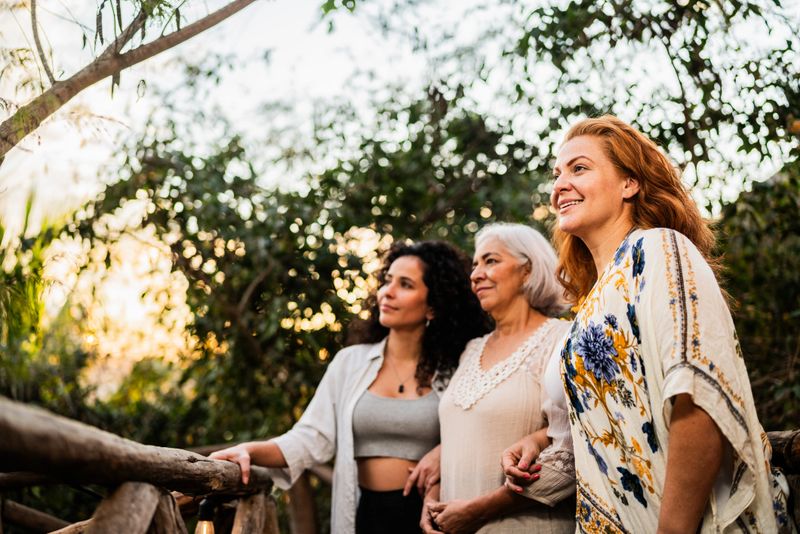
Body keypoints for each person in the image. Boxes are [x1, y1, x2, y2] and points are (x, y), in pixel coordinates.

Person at [544, 115, 794, 533]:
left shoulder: (658, 249)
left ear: (630, 183)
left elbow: (698, 396)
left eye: (579, 168)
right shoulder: (592, 301)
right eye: (557, 174)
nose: (559, 186)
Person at [210, 240, 490, 534]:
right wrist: (247, 451)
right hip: (365, 514)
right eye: (387, 281)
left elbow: (481, 430)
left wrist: (444, 451)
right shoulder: (350, 363)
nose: (387, 292)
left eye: (405, 285)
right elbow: (309, 437)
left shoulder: (458, 368)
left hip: (432, 516)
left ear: (433, 306)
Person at [423, 223, 576, 533]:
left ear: (527, 271)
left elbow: (574, 448)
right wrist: (432, 500)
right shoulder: (471, 350)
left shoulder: (562, 341)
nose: (476, 274)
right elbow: (459, 439)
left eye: (490, 261)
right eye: (475, 264)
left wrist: (477, 511)